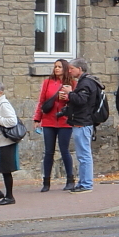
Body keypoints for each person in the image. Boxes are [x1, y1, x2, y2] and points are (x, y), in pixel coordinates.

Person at [59, 58, 102, 194]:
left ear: (80, 69)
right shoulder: (87, 82)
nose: (69, 71)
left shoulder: (86, 83)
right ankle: (83, 182)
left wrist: (69, 93)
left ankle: (86, 184)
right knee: (83, 155)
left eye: (72, 69)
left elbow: (82, 101)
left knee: (84, 155)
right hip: (82, 122)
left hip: (82, 123)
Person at [34, 58, 76, 191]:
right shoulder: (47, 82)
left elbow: (77, 101)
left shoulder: (73, 83)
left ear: (65, 68)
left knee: (64, 151)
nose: (56, 69)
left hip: (64, 121)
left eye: (59, 66)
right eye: (55, 66)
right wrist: (37, 119)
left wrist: (68, 97)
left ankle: (70, 180)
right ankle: (46, 182)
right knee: (48, 152)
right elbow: (41, 102)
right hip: (48, 120)